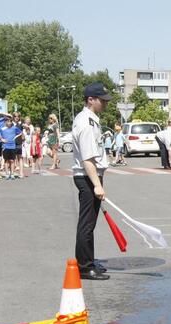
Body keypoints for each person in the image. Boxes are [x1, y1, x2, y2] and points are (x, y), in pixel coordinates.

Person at [72, 82, 112, 281]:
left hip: (91, 177)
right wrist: (96, 184)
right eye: (102, 101)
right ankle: (85, 267)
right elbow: (88, 159)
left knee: (90, 223)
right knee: (86, 224)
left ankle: (88, 260)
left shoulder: (91, 120)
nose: (105, 104)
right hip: (87, 177)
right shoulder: (86, 123)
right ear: (90, 100)